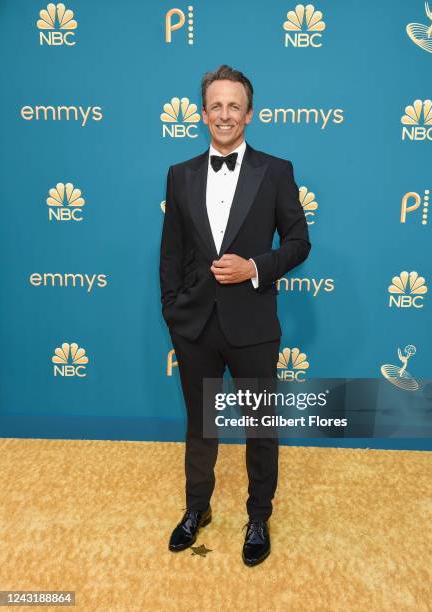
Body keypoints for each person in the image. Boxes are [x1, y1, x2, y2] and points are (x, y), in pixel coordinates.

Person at [159, 64, 311, 566]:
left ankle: (258, 516)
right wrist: (173, 313)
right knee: (200, 425)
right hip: (195, 326)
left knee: (260, 426)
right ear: (203, 114)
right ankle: (196, 509)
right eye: (215, 106)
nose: (225, 114)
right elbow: (172, 253)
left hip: (252, 325)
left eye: (234, 106)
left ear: (249, 114)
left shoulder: (277, 170)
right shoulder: (179, 175)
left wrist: (254, 268)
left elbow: (298, 243)